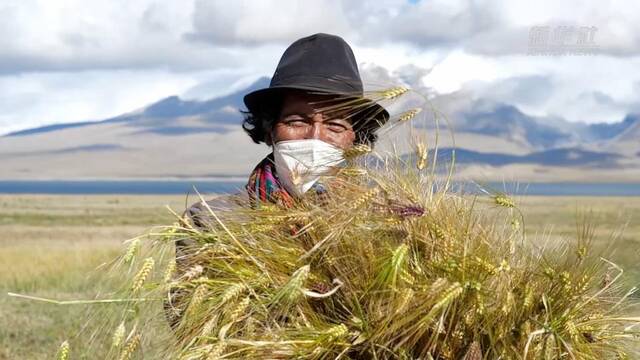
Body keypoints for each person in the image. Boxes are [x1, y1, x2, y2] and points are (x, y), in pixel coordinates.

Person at [165, 33, 389, 328]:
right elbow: (190, 322)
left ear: (355, 140)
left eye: (335, 125)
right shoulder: (212, 222)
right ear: (270, 129)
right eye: (297, 121)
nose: (315, 137)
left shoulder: (387, 222)